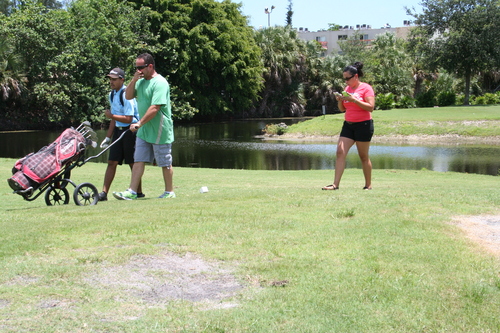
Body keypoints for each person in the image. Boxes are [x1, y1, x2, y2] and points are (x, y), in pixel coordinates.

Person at [113, 53, 176, 200]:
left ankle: (169, 191)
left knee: (164, 162)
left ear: (150, 66)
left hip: (160, 128)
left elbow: (155, 108)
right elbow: (128, 96)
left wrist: (139, 123)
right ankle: (132, 191)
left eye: (141, 67)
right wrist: (134, 80)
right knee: (138, 159)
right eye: (136, 68)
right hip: (144, 128)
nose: (138, 70)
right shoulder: (140, 82)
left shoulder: (160, 83)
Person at [322, 62, 375, 191]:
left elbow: (371, 107)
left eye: (347, 78)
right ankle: (335, 185)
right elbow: (342, 109)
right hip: (348, 125)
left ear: (355, 76)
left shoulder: (366, 88)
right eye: (344, 78)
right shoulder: (347, 89)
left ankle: (368, 185)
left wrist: (354, 100)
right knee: (340, 152)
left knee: (363, 156)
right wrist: (340, 101)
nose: (345, 81)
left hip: (364, 125)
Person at [98, 68, 143, 201]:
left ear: (122, 80)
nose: (111, 82)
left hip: (130, 131)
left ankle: (138, 192)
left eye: (114, 79)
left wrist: (111, 115)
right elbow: (114, 119)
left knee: (132, 163)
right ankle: (104, 193)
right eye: (110, 79)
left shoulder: (125, 94)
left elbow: (128, 118)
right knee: (112, 161)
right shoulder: (112, 94)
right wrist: (107, 137)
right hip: (118, 131)